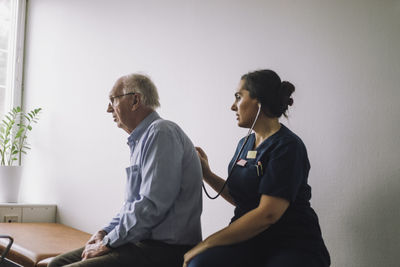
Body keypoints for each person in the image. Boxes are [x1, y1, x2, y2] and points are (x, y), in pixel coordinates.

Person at [49, 73, 203, 267]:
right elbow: (132, 205)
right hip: (140, 244)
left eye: (113, 100)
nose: (108, 108)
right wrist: (104, 232)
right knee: (56, 263)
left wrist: (109, 242)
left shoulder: (161, 132)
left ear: (135, 100)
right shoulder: (142, 140)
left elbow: (151, 206)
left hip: (163, 251)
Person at [183, 69, 330, 267]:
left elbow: (268, 213)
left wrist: (208, 242)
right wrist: (207, 174)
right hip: (250, 242)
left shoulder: (288, 146)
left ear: (259, 101)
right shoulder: (245, 144)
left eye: (238, 97)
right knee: (200, 264)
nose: (232, 106)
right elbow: (241, 197)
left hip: (291, 244)